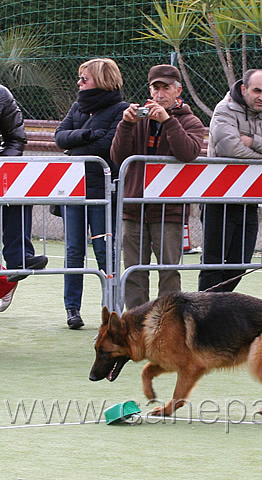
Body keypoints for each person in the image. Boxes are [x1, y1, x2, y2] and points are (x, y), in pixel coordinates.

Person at [110, 64, 205, 310]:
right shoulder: (138, 119)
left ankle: (167, 326)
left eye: (166, 88)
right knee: (133, 273)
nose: (160, 94)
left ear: (178, 90)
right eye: (156, 88)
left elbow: (189, 152)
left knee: (169, 273)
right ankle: (135, 326)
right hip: (133, 208)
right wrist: (126, 124)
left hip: (169, 209)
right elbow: (118, 156)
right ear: (150, 90)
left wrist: (168, 120)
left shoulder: (190, 121)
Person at [199, 69, 262, 292]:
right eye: (257, 90)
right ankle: (204, 317)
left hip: (249, 201)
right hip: (218, 197)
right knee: (214, 264)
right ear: (243, 89)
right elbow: (230, 148)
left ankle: (222, 311)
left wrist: (252, 141)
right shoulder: (224, 110)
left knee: (239, 265)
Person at [54, 58, 128, 329]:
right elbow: (60, 136)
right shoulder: (77, 107)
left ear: (103, 79)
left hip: (102, 191)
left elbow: (108, 145)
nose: (79, 83)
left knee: (103, 251)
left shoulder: (121, 109)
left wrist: (79, 141)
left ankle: (110, 310)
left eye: (85, 78)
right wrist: (87, 136)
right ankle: (72, 309)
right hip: (75, 189)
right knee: (73, 251)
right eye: (80, 78)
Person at [0, 85, 48, 288]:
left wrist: (2, 166)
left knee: (20, 191)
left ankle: (19, 258)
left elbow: (16, 139)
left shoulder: (2, 95)